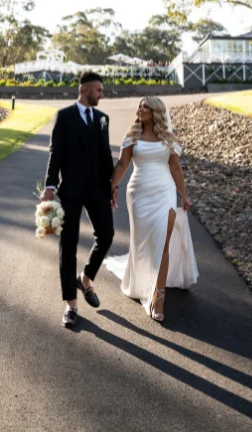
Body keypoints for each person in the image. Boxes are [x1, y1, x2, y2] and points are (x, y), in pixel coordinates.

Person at [105, 97, 198, 322]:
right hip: (138, 194)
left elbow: (176, 169)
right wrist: (110, 187)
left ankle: (158, 297)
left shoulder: (168, 138)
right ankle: (141, 281)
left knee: (163, 241)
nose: (141, 109)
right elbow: (122, 164)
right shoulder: (132, 135)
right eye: (140, 105)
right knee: (142, 242)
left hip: (164, 192)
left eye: (146, 106)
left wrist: (184, 195)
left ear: (156, 111)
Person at [39, 71, 115, 328]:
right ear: (85, 90)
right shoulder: (64, 116)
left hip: (97, 189)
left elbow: (106, 155)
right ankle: (71, 304)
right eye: (98, 90)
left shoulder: (102, 119)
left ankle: (86, 278)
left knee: (106, 235)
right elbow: (55, 152)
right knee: (68, 245)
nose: (102, 94)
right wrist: (50, 186)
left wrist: (112, 186)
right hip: (70, 189)